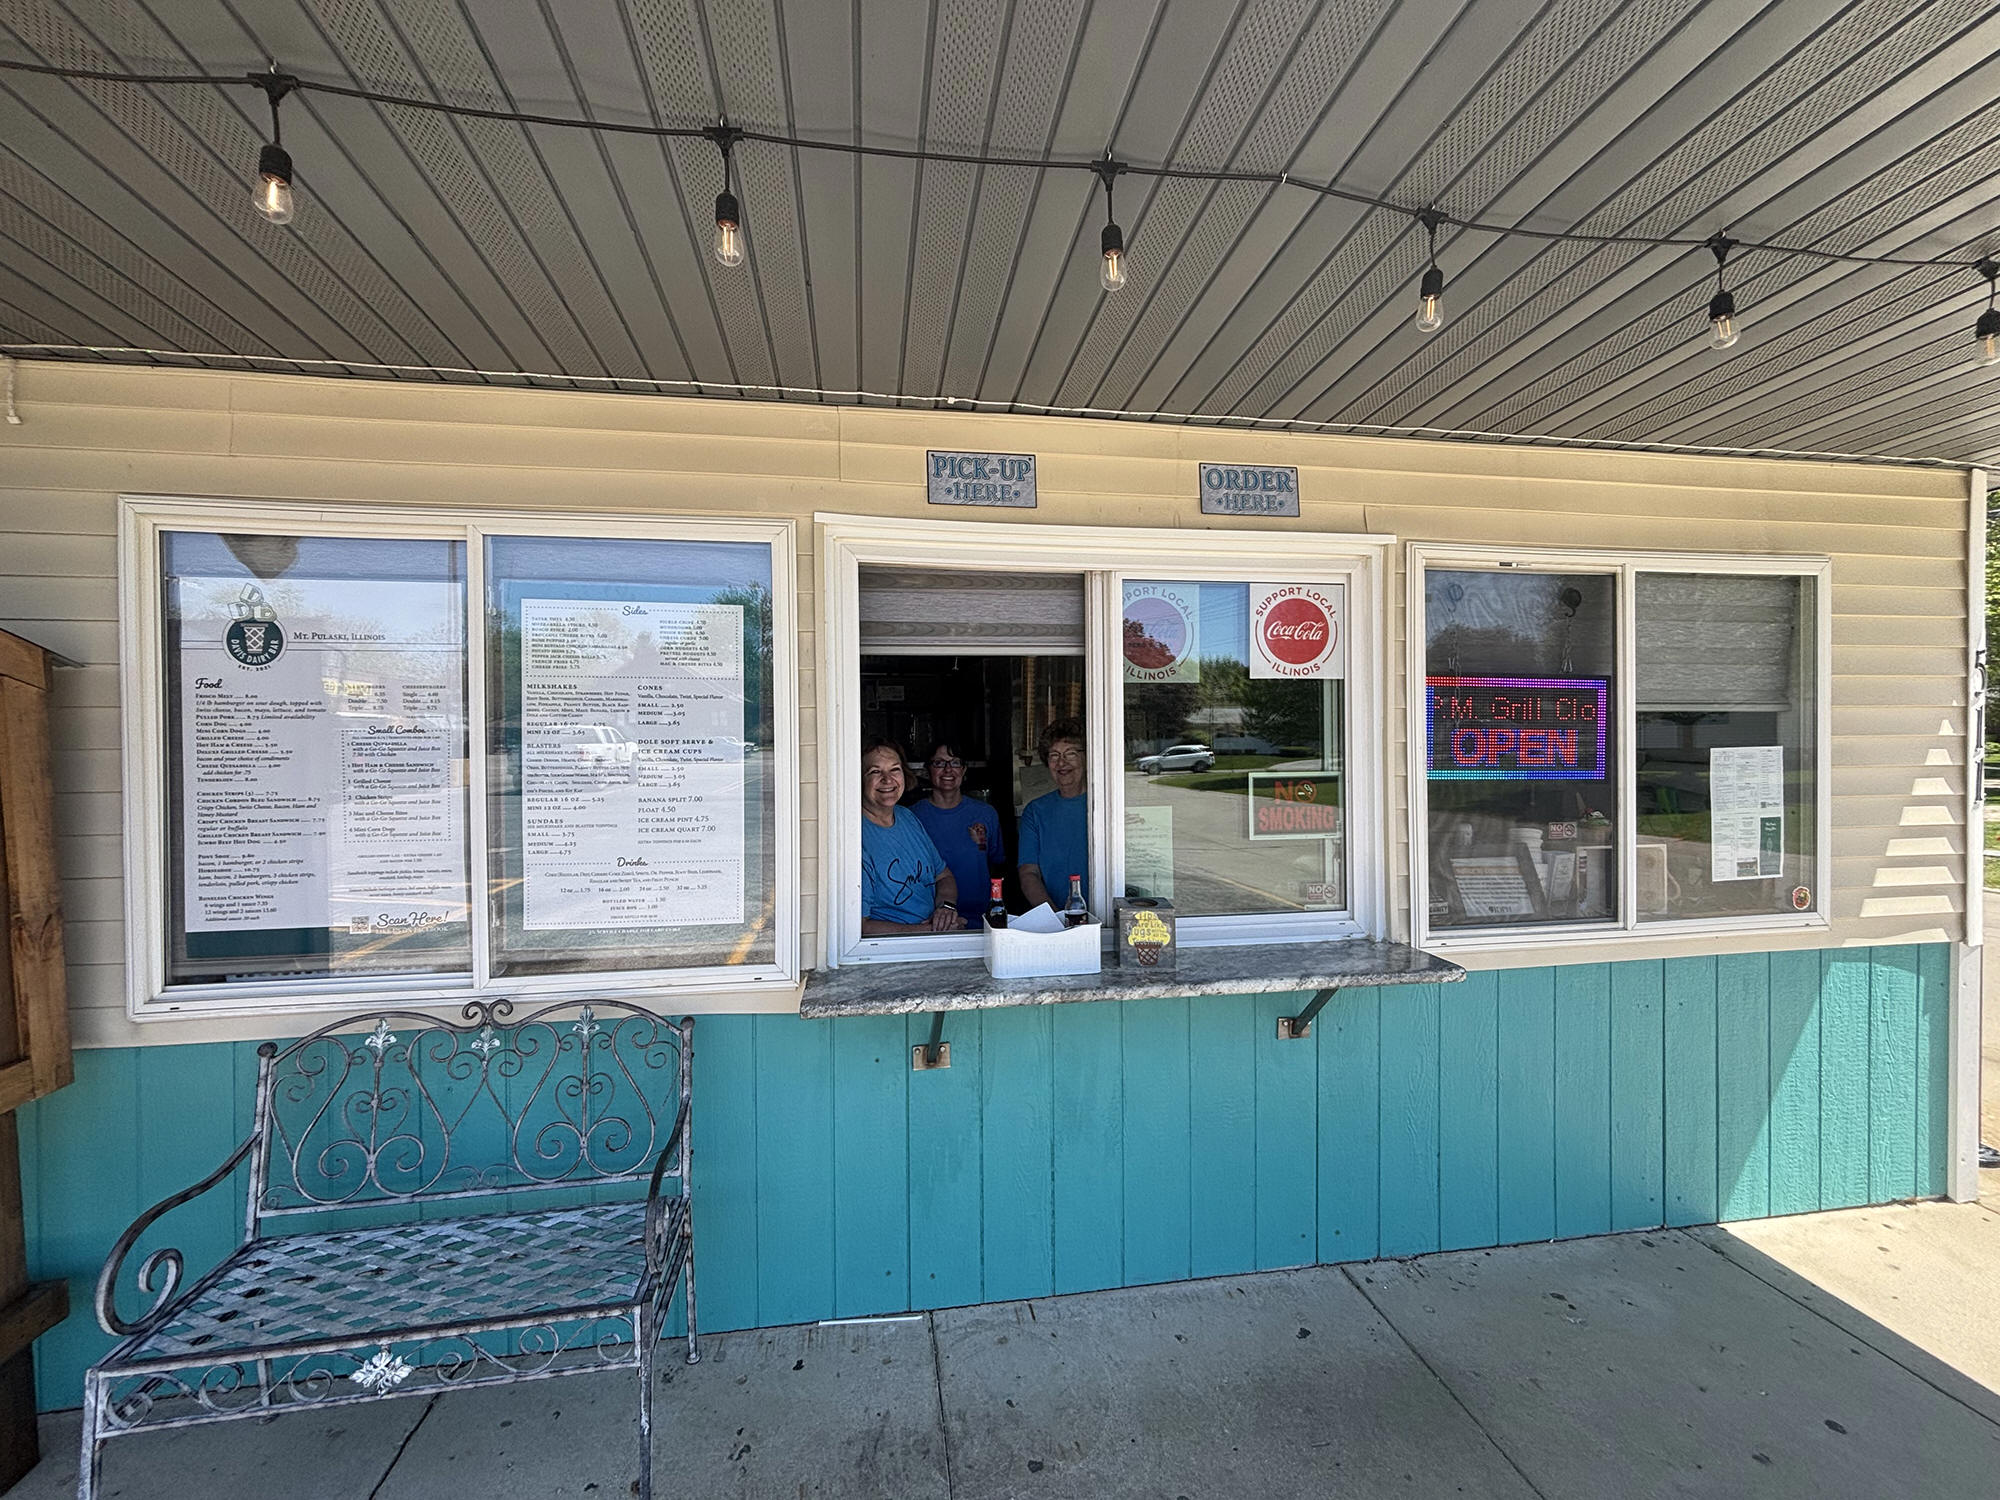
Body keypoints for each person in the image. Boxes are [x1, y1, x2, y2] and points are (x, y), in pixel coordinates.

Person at [860, 738, 961, 934]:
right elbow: (859, 926)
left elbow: (944, 875)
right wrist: (929, 931)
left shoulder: (907, 817)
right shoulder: (854, 834)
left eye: (895, 769)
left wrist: (945, 910)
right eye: (875, 771)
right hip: (893, 946)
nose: (888, 779)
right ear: (859, 779)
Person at [910, 740, 1006, 926]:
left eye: (955, 763)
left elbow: (996, 865)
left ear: (963, 770)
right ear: (927, 770)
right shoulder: (912, 817)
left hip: (981, 919)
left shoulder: (986, 814)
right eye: (939, 763)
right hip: (931, 922)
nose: (948, 770)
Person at [1017, 717, 1087, 911]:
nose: (1061, 762)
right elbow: (1028, 873)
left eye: (1070, 753)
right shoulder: (1035, 812)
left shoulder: (1105, 806)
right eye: (1054, 755)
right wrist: (1056, 917)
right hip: (1056, 917)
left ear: (1087, 757)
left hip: (1107, 915)